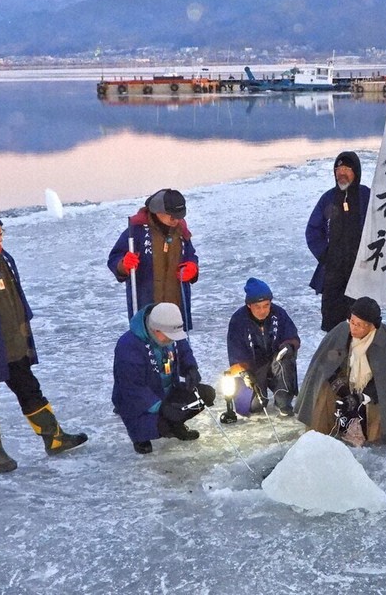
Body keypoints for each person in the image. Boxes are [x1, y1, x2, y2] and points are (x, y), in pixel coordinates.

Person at [0, 208, 87, 473]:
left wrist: (25, 332)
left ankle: (54, 438)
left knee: (30, 389)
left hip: (13, 343)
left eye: (2, 233)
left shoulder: (4, 258)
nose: (0, 239)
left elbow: (17, 298)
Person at [305, 151, 386, 332]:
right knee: (334, 331)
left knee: (363, 325)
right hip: (334, 276)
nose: (341, 172)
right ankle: (337, 360)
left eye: (346, 169)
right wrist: (325, 255)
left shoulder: (368, 196)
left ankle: (362, 359)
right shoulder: (328, 199)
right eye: (338, 168)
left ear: (356, 172)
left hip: (362, 272)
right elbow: (313, 230)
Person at [294, 296, 386, 446]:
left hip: (372, 394)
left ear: (372, 326)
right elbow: (325, 366)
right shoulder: (341, 332)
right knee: (324, 390)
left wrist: (360, 397)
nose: (354, 328)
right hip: (345, 383)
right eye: (352, 322)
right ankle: (319, 434)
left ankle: (373, 441)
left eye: (360, 325)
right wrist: (340, 386)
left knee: (378, 409)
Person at [112, 302, 215, 454]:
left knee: (206, 394)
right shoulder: (128, 347)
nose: (172, 340)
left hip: (167, 390)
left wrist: (190, 368)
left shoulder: (169, 332)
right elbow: (133, 389)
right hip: (139, 405)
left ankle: (176, 425)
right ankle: (141, 436)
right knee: (162, 422)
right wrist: (160, 407)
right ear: (155, 329)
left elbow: (183, 348)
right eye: (169, 337)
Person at [107, 188, 198, 330]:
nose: (176, 220)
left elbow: (191, 255)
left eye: (179, 216)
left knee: (179, 350)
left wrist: (193, 268)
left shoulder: (181, 232)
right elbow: (114, 258)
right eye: (172, 217)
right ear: (157, 211)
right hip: (146, 309)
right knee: (147, 349)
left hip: (176, 308)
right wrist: (123, 265)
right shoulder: (136, 231)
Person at [226, 278, 301, 417]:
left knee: (286, 359)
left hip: (276, 363)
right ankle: (256, 397)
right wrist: (244, 372)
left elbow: (293, 338)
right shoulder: (238, 320)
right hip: (252, 368)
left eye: (266, 305)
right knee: (253, 407)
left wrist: (289, 346)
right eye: (258, 307)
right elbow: (235, 353)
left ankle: (283, 400)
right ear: (249, 305)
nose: (263, 311)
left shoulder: (279, 313)